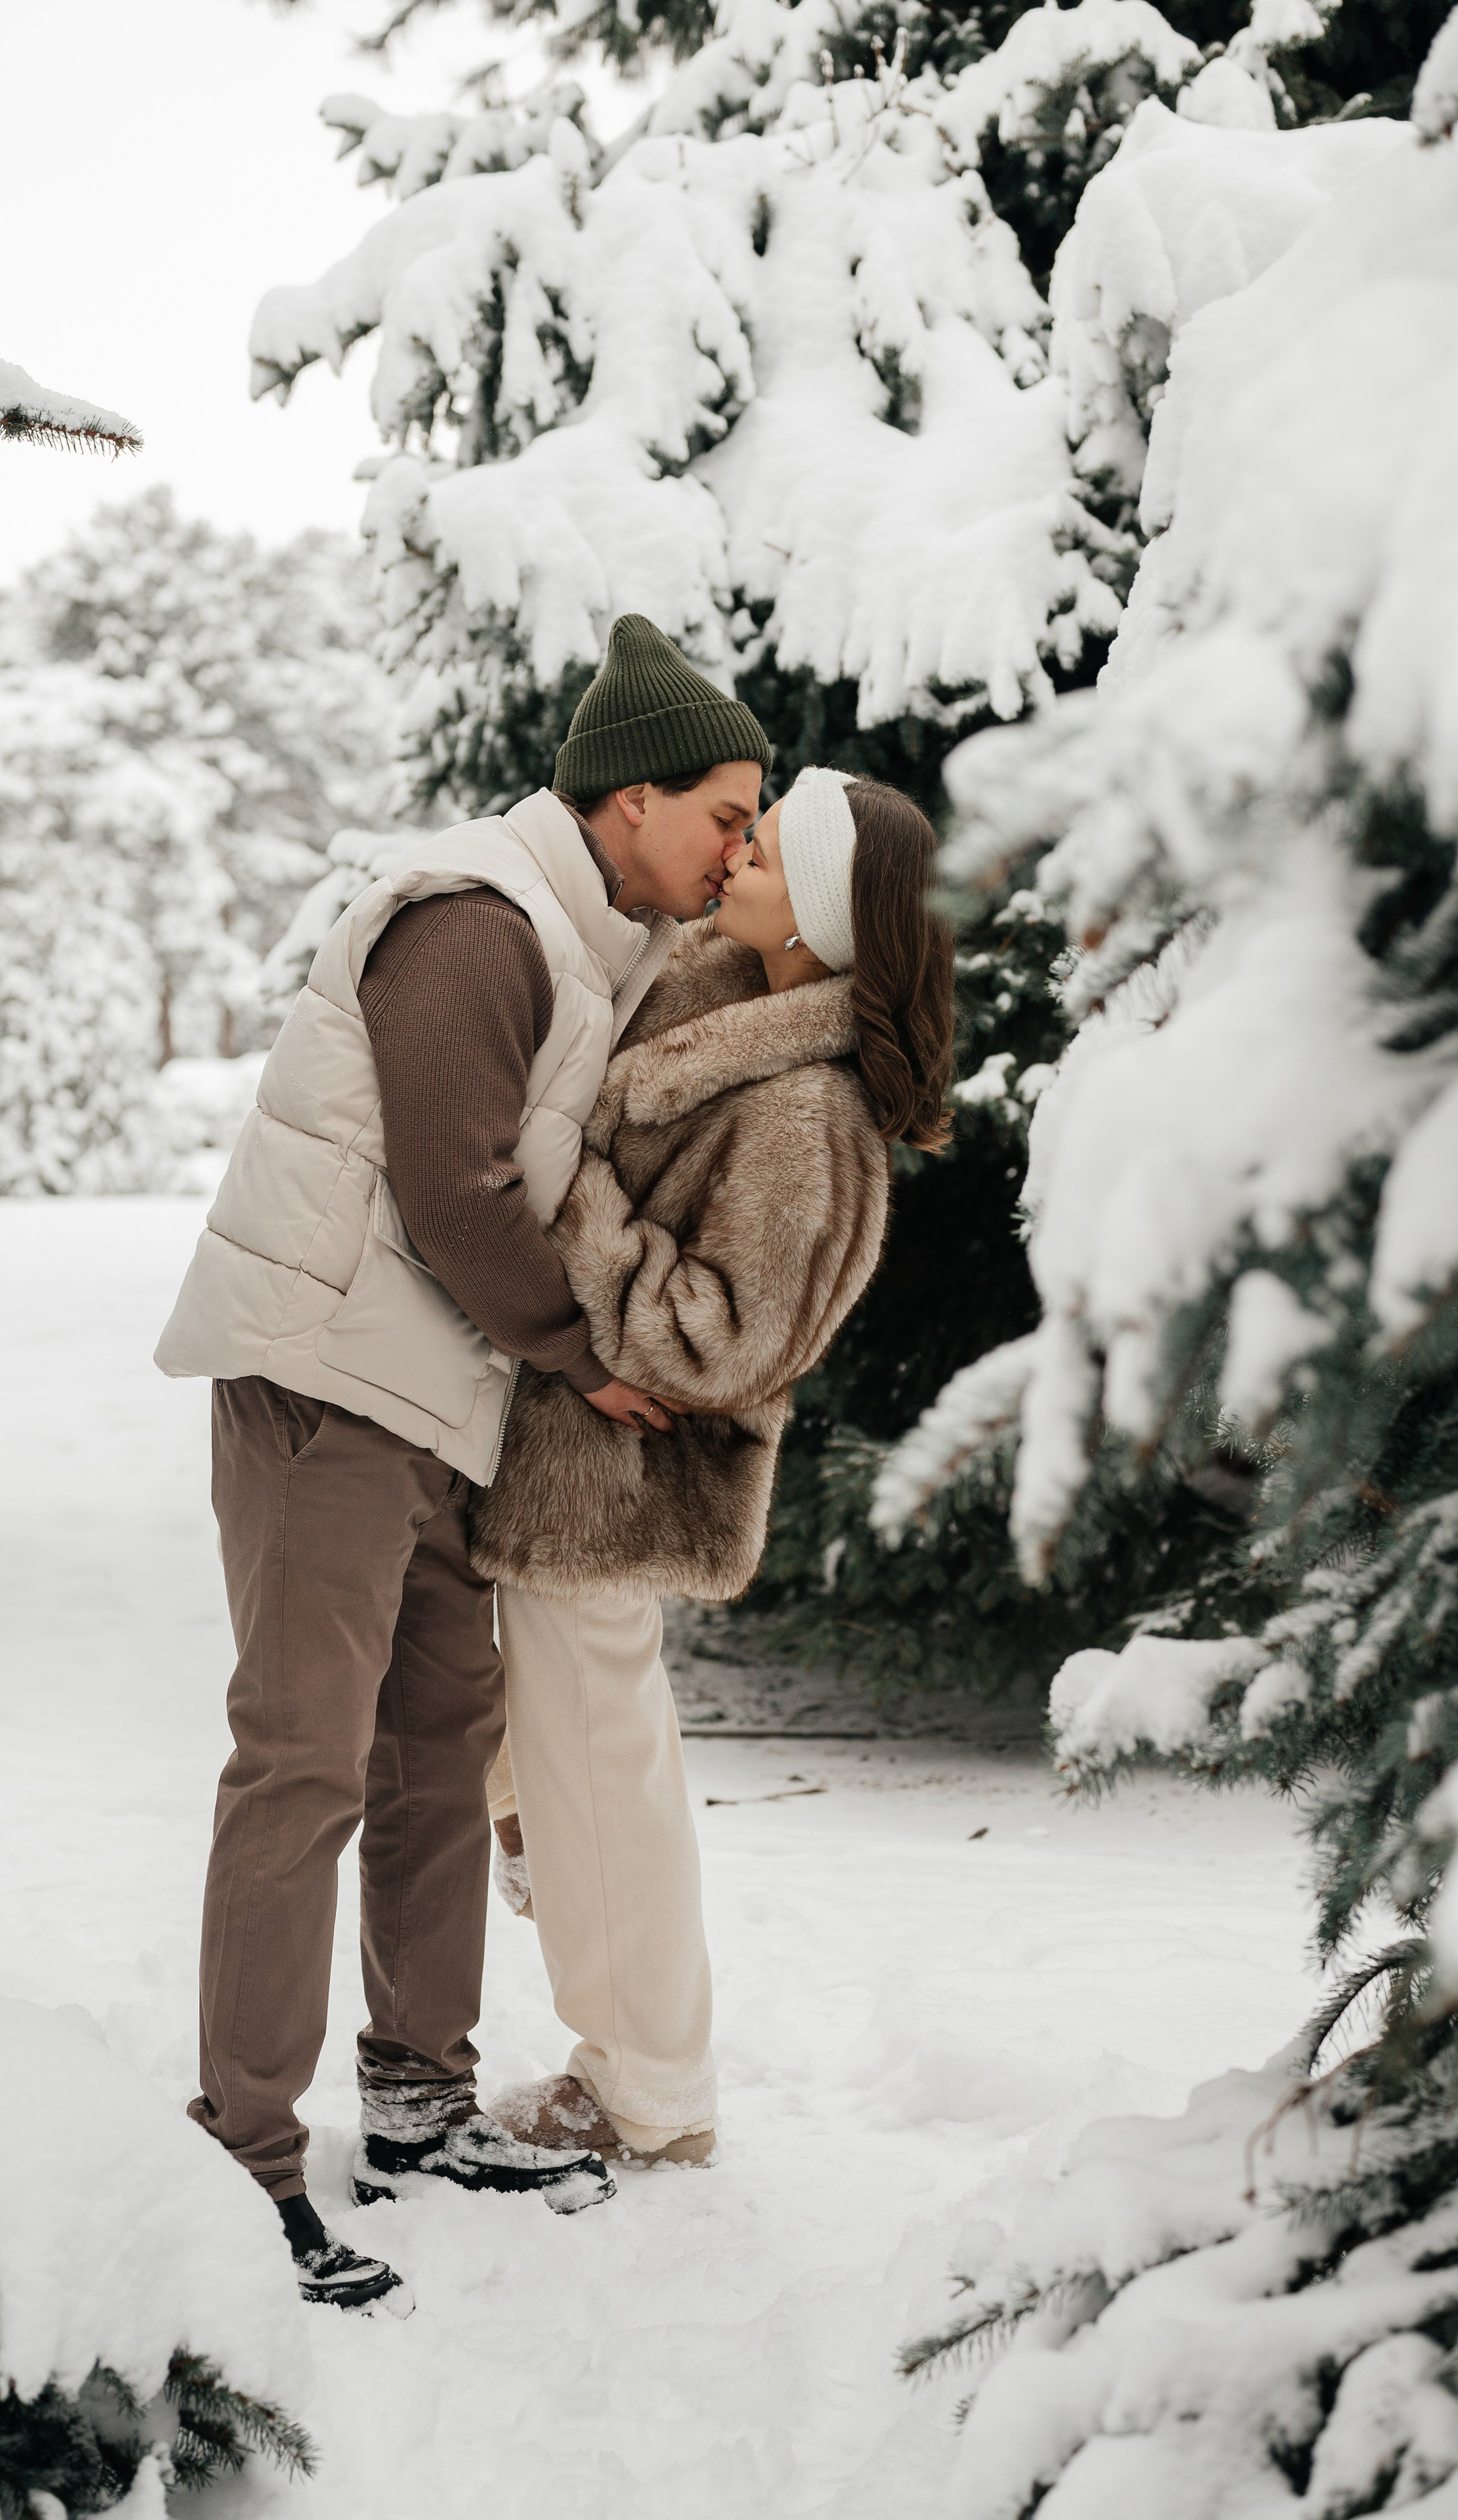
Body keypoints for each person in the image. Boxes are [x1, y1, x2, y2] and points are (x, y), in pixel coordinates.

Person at [153, 615, 772, 2311]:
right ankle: (245, 2164)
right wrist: (591, 1354)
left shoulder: (596, 940)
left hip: (431, 1398)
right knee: (305, 1762)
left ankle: (420, 2104)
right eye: (726, 812)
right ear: (628, 801)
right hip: (325, 1382)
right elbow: (453, 1189)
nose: (742, 847)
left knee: (440, 1744)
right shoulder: (481, 924)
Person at [471, 767, 956, 2170]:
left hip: (624, 1476)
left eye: (769, 841)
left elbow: (721, 1339)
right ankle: (521, 1828)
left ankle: (649, 2096)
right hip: (552, 1436)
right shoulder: (711, 986)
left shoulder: (808, 1111)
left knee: (605, 1769)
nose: (737, 844)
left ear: (820, 911)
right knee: (551, 1750)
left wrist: (571, 1194)